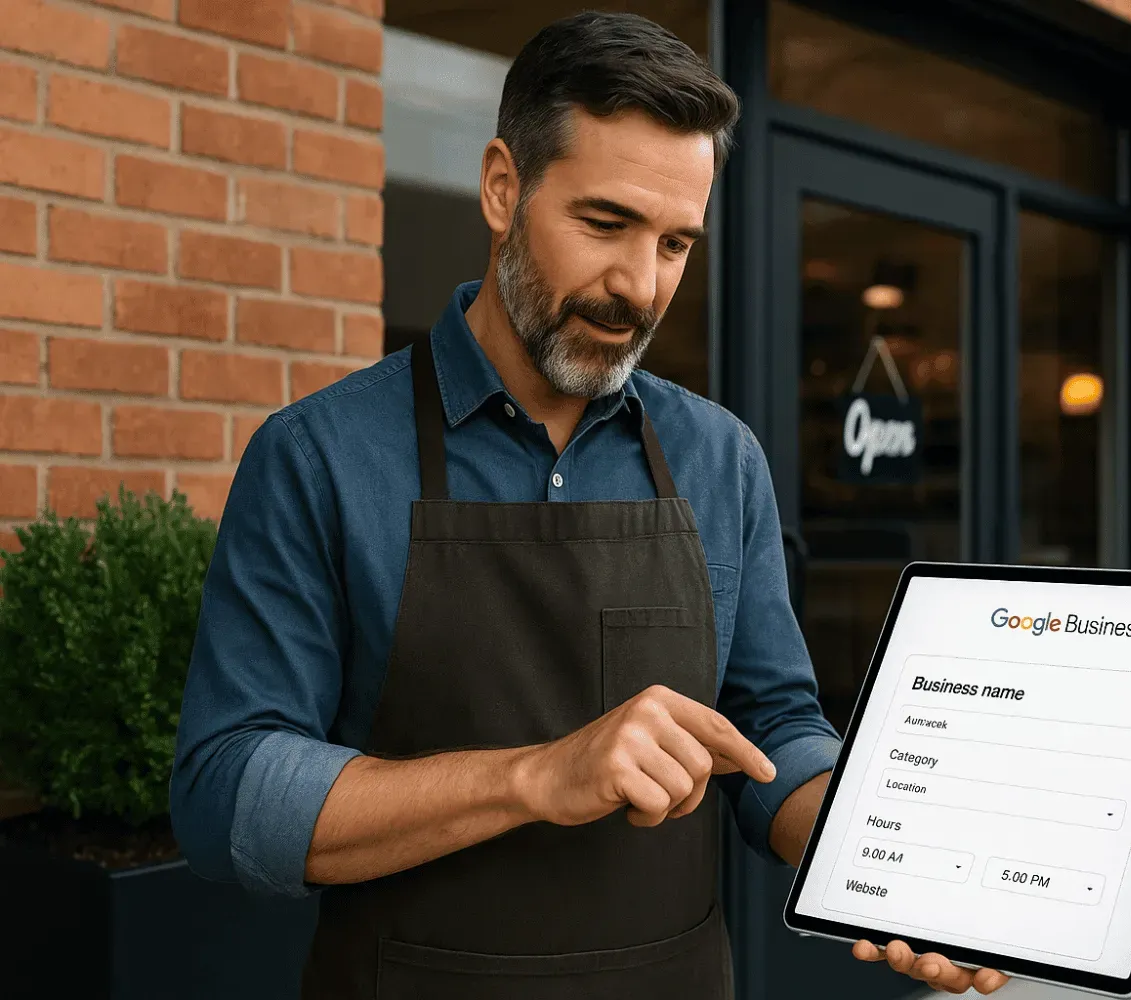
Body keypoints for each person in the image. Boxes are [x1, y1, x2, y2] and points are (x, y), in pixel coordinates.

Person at [169, 11, 1007, 998]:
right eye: (604, 224)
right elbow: (225, 793)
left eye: (675, 244)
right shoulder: (318, 457)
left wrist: (867, 860)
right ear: (501, 187)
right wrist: (535, 776)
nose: (638, 286)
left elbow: (772, 727)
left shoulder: (721, 458)